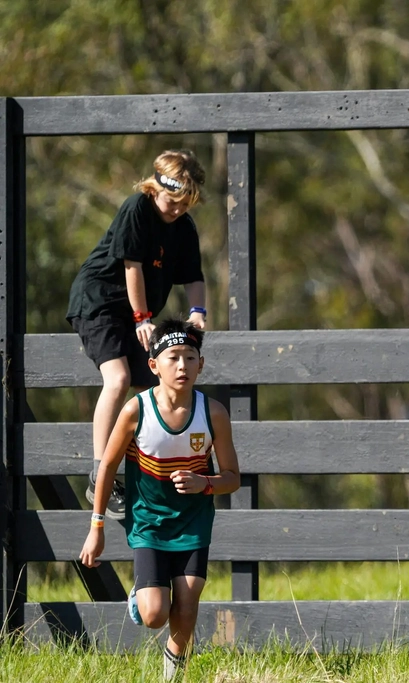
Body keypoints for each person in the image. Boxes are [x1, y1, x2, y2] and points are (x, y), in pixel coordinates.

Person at [79, 318, 240, 680]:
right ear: (154, 365)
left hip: (194, 521)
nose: (182, 365)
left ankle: (173, 675)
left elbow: (233, 478)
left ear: (201, 364)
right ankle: (142, 593)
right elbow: (105, 468)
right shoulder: (137, 411)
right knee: (154, 615)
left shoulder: (213, 413)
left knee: (188, 599)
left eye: (190, 357)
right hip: (149, 520)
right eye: (173, 357)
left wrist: (205, 483)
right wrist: (97, 526)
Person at [67, 150, 208, 519]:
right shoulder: (137, 209)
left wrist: (197, 314)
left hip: (135, 315)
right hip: (101, 303)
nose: (177, 210)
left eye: (185, 204)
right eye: (173, 201)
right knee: (119, 378)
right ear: (156, 187)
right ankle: (101, 473)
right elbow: (133, 267)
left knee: (154, 391)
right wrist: (143, 317)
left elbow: (194, 277)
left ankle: (148, 468)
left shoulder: (184, 227)